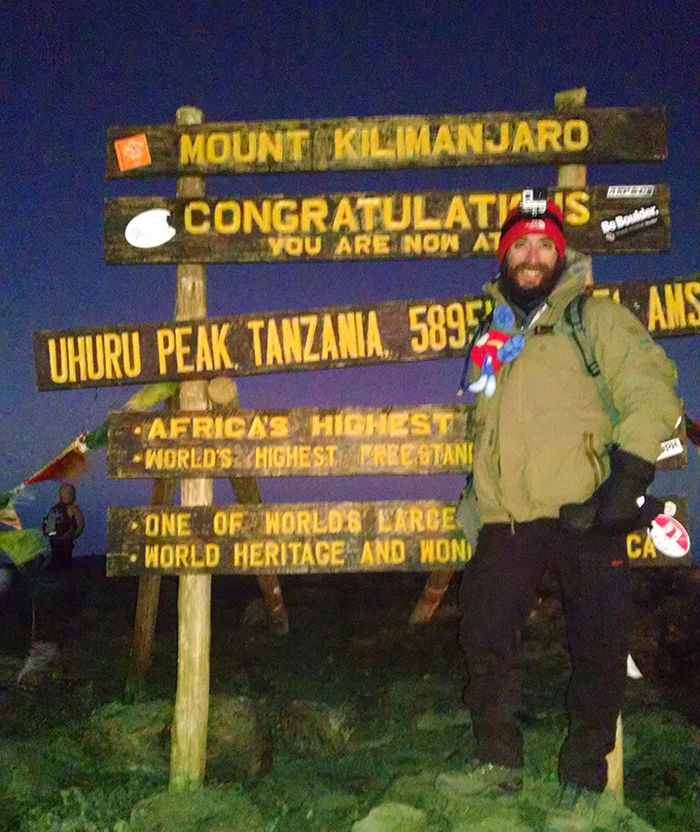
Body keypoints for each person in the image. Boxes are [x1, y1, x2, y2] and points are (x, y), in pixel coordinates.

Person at [452, 193, 682, 809]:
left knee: (600, 645)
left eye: (544, 245)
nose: (532, 256)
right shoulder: (491, 330)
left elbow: (651, 387)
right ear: (506, 257)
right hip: (508, 518)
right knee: (485, 637)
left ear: (560, 253)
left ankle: (583, 778)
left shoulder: (595, 318)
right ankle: (497, 764)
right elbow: (484, 418)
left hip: (588, 509)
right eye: (520, 246)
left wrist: (628, 477)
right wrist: (477, 497)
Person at [43, 482, 84, 570]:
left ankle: (50, 565)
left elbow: (48, 530)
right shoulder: (72, 509)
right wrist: (75, 533)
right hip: (64, 541)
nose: (74, 496)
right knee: (64, 561)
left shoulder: (55, 510)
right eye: (72, 493)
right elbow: (81, 523)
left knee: (58, 559)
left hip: (57, 541)